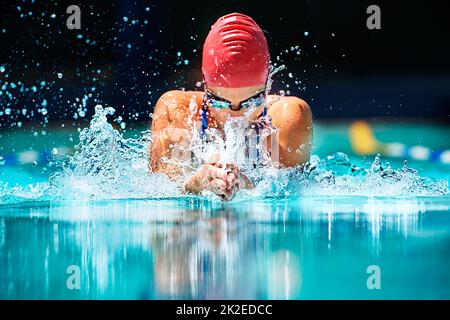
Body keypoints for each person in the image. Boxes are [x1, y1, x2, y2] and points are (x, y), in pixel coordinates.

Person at [150, 13, 312, 200]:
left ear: (267, 85)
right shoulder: (177, 110)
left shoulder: (288, 117)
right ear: (205, 86)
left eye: (251, 102)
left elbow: (288, 199)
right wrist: (196, 182)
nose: (235, 116)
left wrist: (245, 185)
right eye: (220, 102)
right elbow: (162, 198)